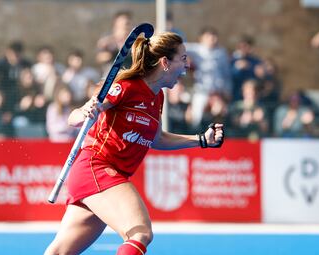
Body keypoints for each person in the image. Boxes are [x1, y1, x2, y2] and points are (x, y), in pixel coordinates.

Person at [44, 32, 224, 255]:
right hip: (96, 168)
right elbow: (74, 117)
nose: (187, 66)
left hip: (101, 176)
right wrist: (83, 112)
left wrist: (201, 141)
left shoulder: (157, 97)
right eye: (183, 58)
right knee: (140, 234)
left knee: (59, 252)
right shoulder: (126, 87)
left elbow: (158, 138)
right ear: (165, 62)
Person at [185, 26, 232, 132]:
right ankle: (195, 135)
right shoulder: (196, 49)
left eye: (214, 37)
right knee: (196, 115)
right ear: (202, 38)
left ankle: (219, 136)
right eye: (210, 37)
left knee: (221, 113)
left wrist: (227, 90)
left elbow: (226, 74)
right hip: (202, 91)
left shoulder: (221, 53)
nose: (213, 40)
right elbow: (180, 47)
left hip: (217, 92)